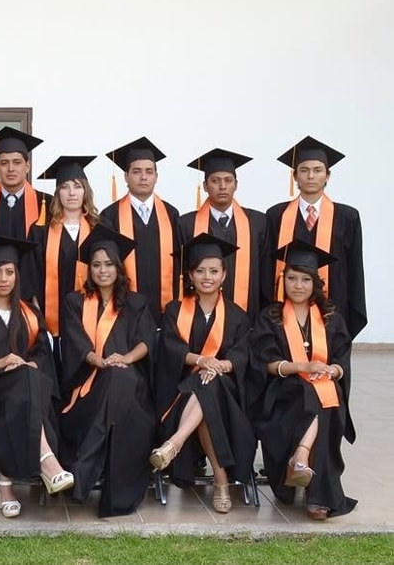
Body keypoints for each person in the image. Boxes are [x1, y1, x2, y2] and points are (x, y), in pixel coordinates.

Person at [0, 236, 73, 518]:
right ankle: (46, 460)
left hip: (25, 390)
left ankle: (5, 481)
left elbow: (42, 357)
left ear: (17, 275)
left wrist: (27, 365)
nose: (3, 279)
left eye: (9, 272)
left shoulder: (31, 314)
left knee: (28, 378)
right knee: (27, 383)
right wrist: (1, 363)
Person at [150, 234, 256, 514]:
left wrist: (220, 366)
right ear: (190, 275)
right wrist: (203, 361)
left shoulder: (237, 315)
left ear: (224, 275)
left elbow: (243, 355)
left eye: (213, 271)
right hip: (179, 394)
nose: (207, 277)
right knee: (204, 387)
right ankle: (221, 481)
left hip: (227, 395)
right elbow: (171, 350)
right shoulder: (175, 310)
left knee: (209, 386)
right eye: (200, 271)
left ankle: (174, 443)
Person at [251, 240, 356, 520]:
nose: (298, 285)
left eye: (305, 279)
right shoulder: (270, 316)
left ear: (315, 283)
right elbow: (267, 364)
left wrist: (333, 370)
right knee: (313, 393)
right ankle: (316, 494)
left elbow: (342, 359)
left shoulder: (331, 317)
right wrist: (302, 366)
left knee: (325, 391)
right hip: (283, 391)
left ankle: (300, 458)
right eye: (292, 278)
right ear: (283, 280)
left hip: (323, 386)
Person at [58, 226, 157, 517]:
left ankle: (83, 471)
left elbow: (146, 341)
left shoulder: (136, 302)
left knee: (120, 375)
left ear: (119, 268)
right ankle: (93, 475)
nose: (103, 271)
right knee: (114, 376)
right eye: (97, 265)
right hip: (88, 388)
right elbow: (75, 341)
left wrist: (124, 358)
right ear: (89, 269)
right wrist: (98, 361)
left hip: (131, 388)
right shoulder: (75, 302)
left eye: (109, 264)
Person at [267, 136, 366, 339]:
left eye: (318, 170)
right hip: (285, 312)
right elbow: (268, 267)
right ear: (295, 176)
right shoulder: (276, 215)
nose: (311, 176)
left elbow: (355, 268)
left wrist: (351, 314)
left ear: (327, 175)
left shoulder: (348, 217)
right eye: (304, 170)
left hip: (335, 307)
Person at [27, 155, 101, 378]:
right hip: (52, 320)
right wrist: (40, 320)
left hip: (92, 315)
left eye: (77, 187)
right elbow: (32, 276)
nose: (71, 193)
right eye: (65, 187)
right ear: (57, 193)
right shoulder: (40, 231)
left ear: (85, 191)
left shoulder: (99, 228)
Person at [179, 149, 273, 323]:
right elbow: (182, 273)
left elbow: (266, 274)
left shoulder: (257, 222)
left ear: (236, 184)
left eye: (228, 180)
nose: (222, 186)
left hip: (249, 317)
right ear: (205, 186)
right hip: (198, 319)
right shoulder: (186, 224)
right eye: (215, 181)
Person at [100, 137, 181, 322]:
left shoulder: (172, 214)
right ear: (126, 176)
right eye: (136, 171)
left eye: (149, 171)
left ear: (156, 177)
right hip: (124, 312)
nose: (143, 177)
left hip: (166, 311)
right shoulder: (110, 215)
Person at [0, 126, 50, 240]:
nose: (11, 169)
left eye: (17, 162)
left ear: (27, 166)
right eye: (4, 163)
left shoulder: (46, 204)